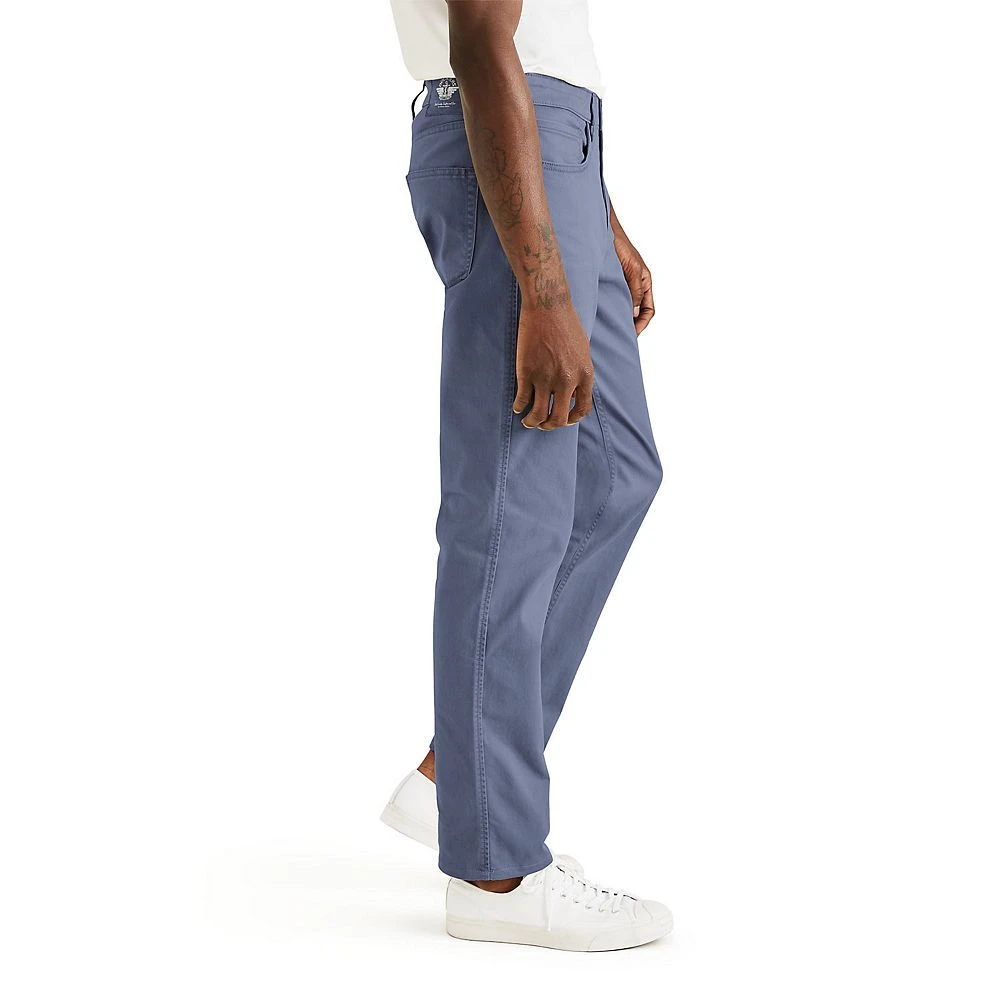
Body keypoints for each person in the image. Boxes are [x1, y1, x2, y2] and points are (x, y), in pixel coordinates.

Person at [381, 0, 671, 951]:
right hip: (509, 135)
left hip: (560, 148)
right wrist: (543, 288)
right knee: (512, 505)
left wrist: (600, 215)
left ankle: (459, 776)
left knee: (614, 474)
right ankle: (495, 869)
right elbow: (481, 38)